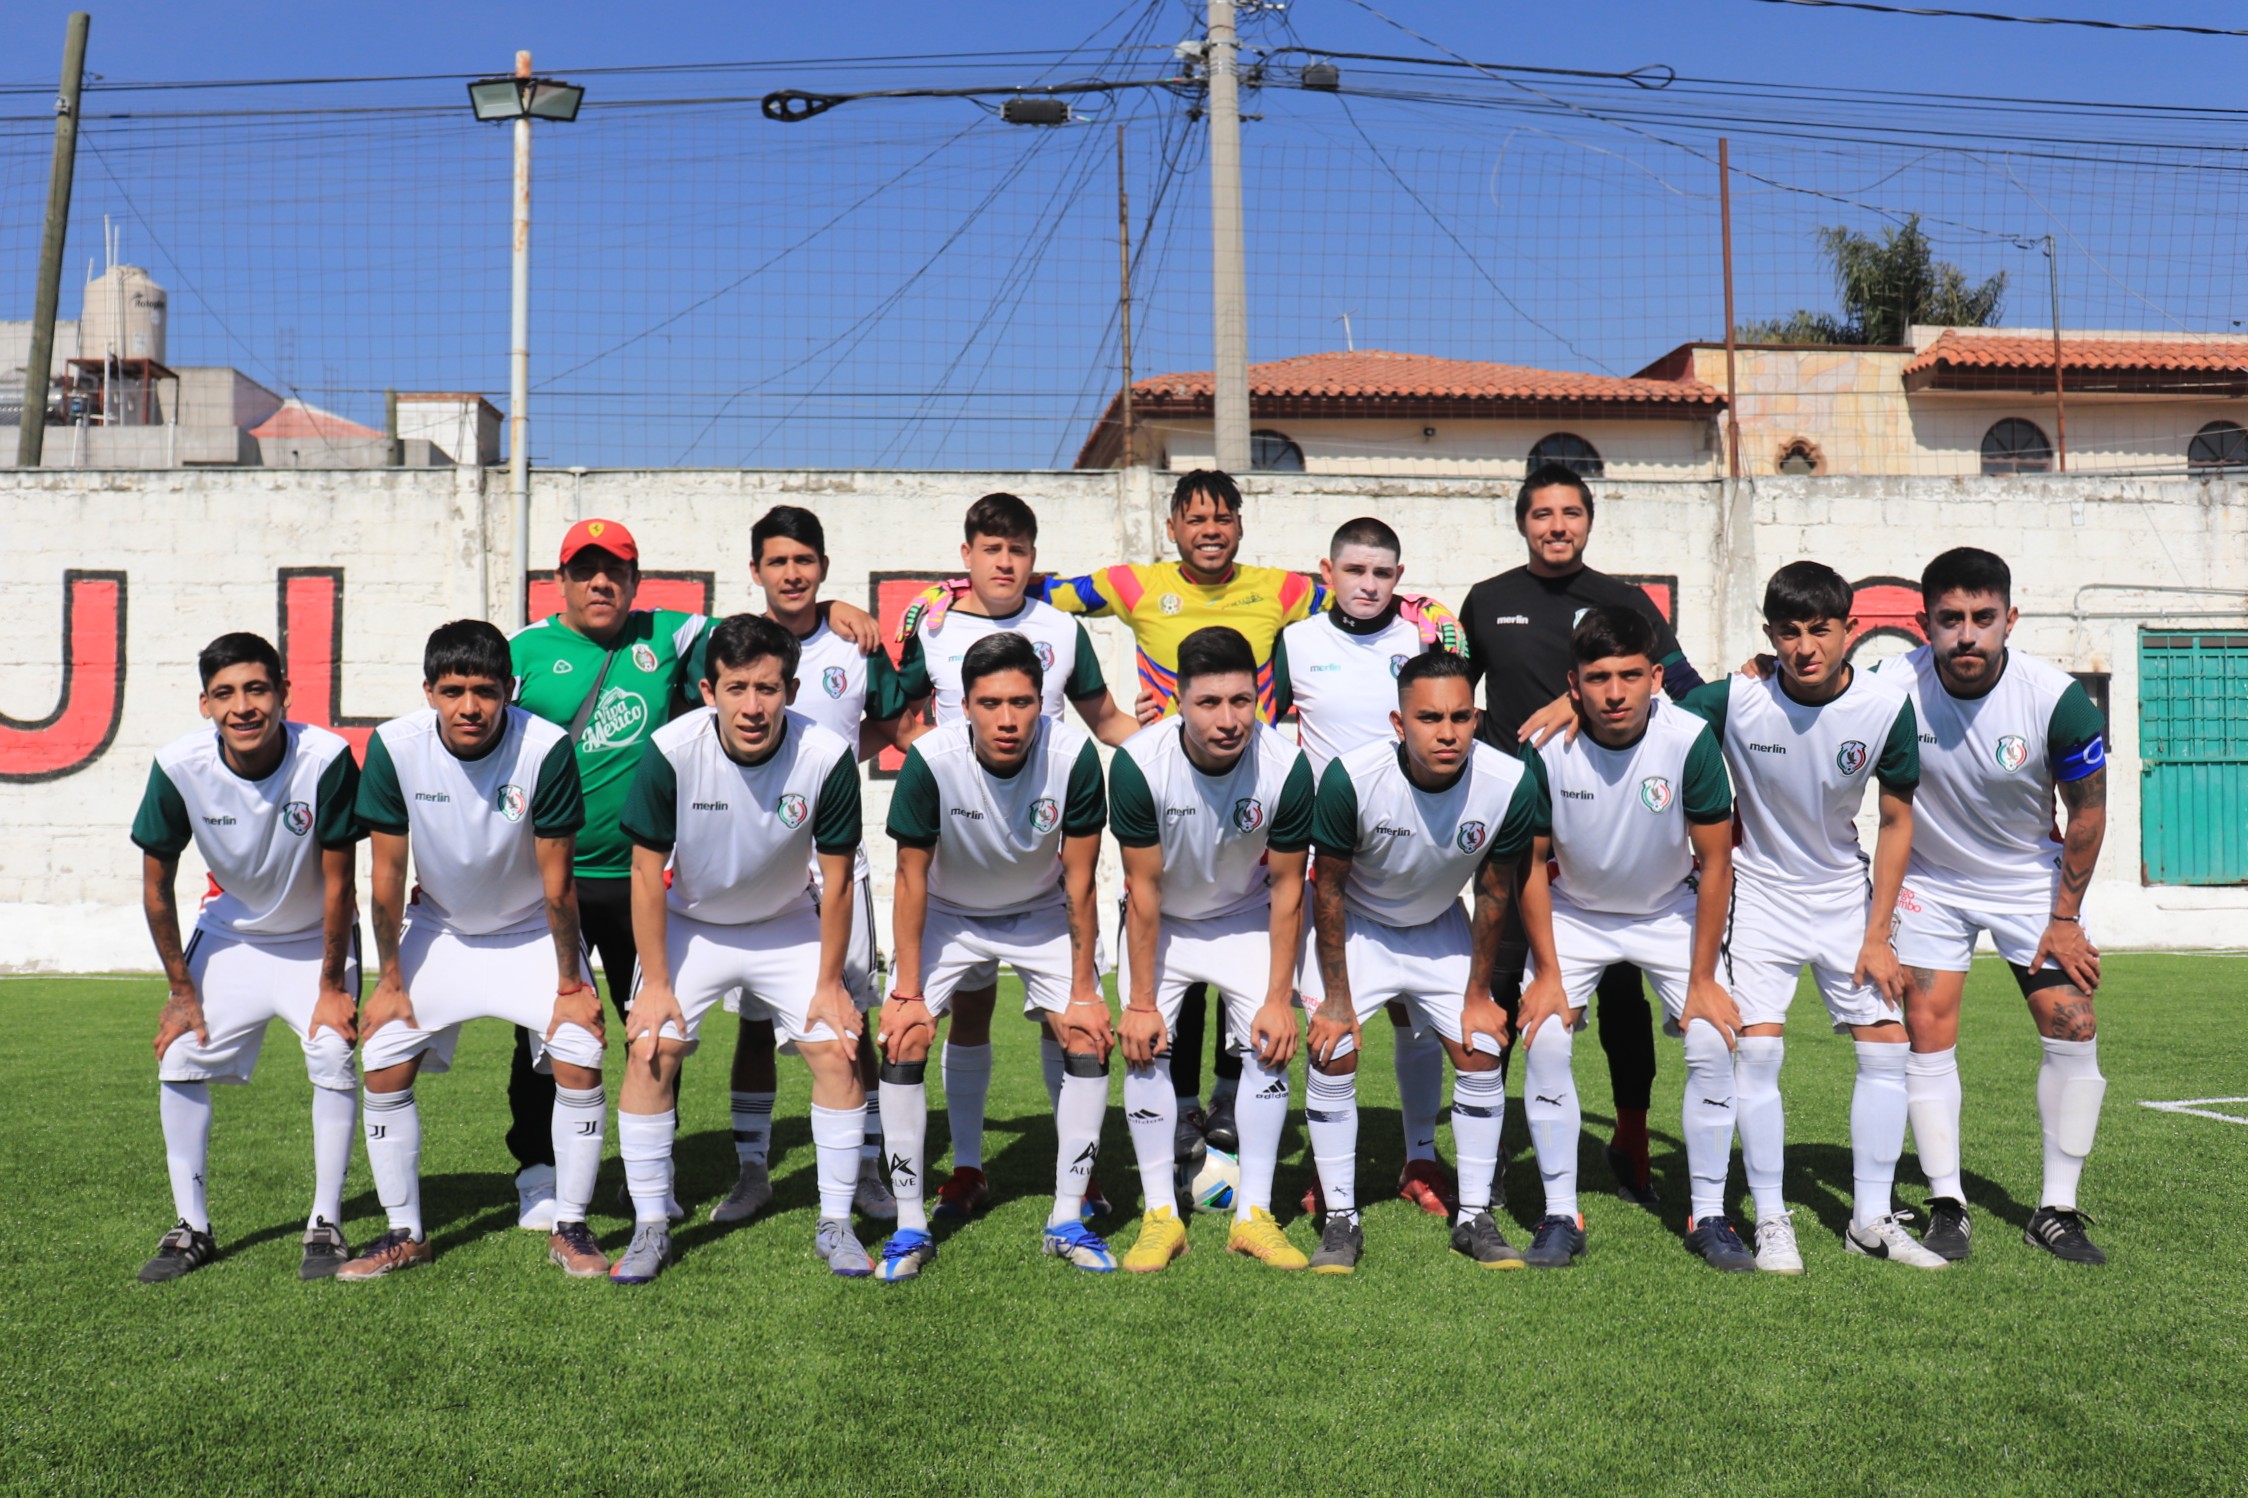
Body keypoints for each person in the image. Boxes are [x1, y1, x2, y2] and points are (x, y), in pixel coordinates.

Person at [1017, 470, 1463, 1173]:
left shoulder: (1282, 590)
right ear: (1173, 527)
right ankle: (1190, 1105)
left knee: (1261, 962)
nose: (1210, 530)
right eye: (1195, 519)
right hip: (1172, 783)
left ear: (1240, 525)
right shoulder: (1134, 583)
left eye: (1223, 517)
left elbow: (1364, 597)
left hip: (1260, 796)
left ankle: (1232, 1104)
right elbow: (1036, 592)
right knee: (1178, 945)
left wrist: (1434, 613)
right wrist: (941, 593)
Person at [507, 517, 878, 1230]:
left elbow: (766, 629)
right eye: (584, 571)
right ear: (561, 580)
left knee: (651, 1026)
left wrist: (829, 612)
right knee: (547, 1032)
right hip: (553, 877)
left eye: (614, 570)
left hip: (644, 880)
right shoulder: (525, 650)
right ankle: (540, 1171)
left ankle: (654, 1177)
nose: (599, 583)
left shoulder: (671, 636)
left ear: (635, 578)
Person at [1679, 562, 1946, 1273]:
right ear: (1770, 635)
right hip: (1759, 897)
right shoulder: (1735, 698)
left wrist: (1878, 934)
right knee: (1758, 1053)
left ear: (1849, 630)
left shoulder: (1885, 708)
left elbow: (1896, 820)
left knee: (1887, 1049)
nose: (1804, 647)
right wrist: (1567, 706)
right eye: (1789, 632)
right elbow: (1642, 714)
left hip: (1842, 897)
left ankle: (1870, 1218)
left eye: (1820, 630)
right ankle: (1771, 1218)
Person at [1458, 462, 1710, 1205]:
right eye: (1543, 514)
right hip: (1518, 830)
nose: (1557, 525)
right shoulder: (1487, 601)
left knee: (1624, 998)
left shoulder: (1621, 602)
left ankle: (1629, 1137)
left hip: (1609, 827)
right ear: (1523, 523)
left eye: (1571, 512)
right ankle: (1493, 1152)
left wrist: (1752, 687)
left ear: (1589, 522)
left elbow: (1683, 687)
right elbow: (1448, 690)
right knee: (1503, 984)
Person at [891, 492, 1136, 1226]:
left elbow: (1106, 719)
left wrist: (1173, 746)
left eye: (1018, 549)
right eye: (991, 548)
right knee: (960, 1015)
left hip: (1038, 871)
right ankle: (966, 1171)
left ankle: (1077, 1181)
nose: (1004, 561)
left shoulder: (1062, 630)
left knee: (1073, 1025)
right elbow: (894, 718)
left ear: (1033, 559)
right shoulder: (931, 628)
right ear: (966, 556)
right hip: (955, 876)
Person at [336, 621, 606, 1281]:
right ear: (428, 691)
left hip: (531, 933)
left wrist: (573, 984)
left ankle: (571, 1227)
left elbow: (559, 881)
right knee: (385, 1056)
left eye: (484, 691)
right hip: (443, 930)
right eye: (452, 691)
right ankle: (406, 1232)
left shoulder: (544, 748)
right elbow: (386, 877)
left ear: (510, 690)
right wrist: (389, 981)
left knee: (580, 1052)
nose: (469, 707)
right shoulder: (396, 748)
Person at [613, 615, 873, 1282]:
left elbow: (838, 879)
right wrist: (657, 985)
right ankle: (649, 1227)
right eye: (736, 689)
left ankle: (836, 1223)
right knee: (651, 1046)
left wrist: (828, 984)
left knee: (838, 1046)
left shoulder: (825, 756)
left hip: (786, 921)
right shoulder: (670, 750)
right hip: (691, 923)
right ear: (708, 690)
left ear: (790, 688)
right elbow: (646, 873)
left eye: (767, 688)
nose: (752, 707)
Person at [1883, 547, 2111, 1265]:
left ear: (2010, 619)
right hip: (1931, 882)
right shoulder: (1892, 685)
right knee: (1927, 1030)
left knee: (2073, 1023)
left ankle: (2057, 1209)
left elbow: (2089, 811)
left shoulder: (2055, 697)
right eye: (1950, 619)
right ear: (1925, 624)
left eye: (1984, 618)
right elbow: (1812, 691)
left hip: (2026, 880)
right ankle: (1947, 1203)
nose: (1967, 634)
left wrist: (2065, 917)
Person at [874, 632, 1114, 1281]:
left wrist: (1087, 987)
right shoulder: (931, 758)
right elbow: (909, 878)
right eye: (990, 703)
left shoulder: (1073, 756)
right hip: (949, 913)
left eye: (1022, 702)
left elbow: (1083, 879)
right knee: (903, 1039)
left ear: (1042, 701)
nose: (1007, 720)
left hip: (1039, 912)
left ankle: (1068, 1215)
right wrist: (904, 990)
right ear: (964, 706)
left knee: (1087, 1033)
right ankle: (910, 1224)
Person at [1513, 606, 1745, 1272]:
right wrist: (1550, 974)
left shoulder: (1690, 739)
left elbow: (1717, 865)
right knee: (1547, 1032)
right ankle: (1561, 1213)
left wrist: (1702, 982)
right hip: (1575, 913)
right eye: (1598, 678)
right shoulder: (1545, 747)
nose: (1614, 693)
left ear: (1655, 677)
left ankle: (1709, 1214)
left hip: (1665, 912)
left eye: (1629, 676)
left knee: (1709, 1036)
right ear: (1573, 683)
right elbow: (1529, 864)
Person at [129, 632, 365, 1283]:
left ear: (283, 693)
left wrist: (330, 986)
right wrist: (182, 991)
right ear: (205, 704)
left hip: (313, 939)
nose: (243, 707)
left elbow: (342, 882)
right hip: (232, 935)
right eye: (226, 693)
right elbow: (155, 887)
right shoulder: (179, 766)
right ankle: (192, 1227)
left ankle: (326, 1222)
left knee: (332, 1051)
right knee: (180, 1053)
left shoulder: (327, 758)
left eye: (257, 689)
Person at [1300, 651, 1546, 1274]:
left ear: (1476, 717)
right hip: (1358, 924)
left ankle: (1473, 1216)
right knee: (1334, 1050)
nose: (1447, 732)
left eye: (1461, 717)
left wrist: (1478, 994)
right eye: (1429, 717)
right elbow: (1325, 889)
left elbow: (1494, 893)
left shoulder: (1509, 781)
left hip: (1439, 926)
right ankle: (1339, 1218)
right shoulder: (1349, 778)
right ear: (1398, 721)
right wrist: (1335, 998)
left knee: (1482, 1046)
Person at [714, 505, 912, 1229]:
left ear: (823, 567)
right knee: (753, 1024)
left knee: (848, 1017)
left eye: (805, 561)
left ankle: (864, 1168)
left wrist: (819, 775)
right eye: (778, 562)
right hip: (747, 862)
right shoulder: (731, 647)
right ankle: (752, 1169)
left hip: (833, 858)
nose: (792, 573)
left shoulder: (857, 645)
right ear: (757, 572)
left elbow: (892, 726)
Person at [1272, 516, 1463, 1218]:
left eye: (1382, 574)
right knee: (1331, 1021)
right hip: (1335, 869)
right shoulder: (1294, 643)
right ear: (1328, 572)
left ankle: (1419, 1157)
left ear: (1398, 580)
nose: (1367, 585)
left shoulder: (1419, 642)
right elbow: (1264, 735)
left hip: (1417, 859)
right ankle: (1331, 1171)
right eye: (1354, 571)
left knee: (1417, 1019)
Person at [1110, 626, 1316, 1272]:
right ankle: (1160, 1217)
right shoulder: (1139, 762)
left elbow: (1287, 888)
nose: (1228, 720)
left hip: (1244, 919)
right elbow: (1141, 891)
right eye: (1208, 703)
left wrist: (1281, 999)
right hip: (1164, 922)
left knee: (1270, 1043)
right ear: (1178, 699)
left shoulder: (1286, 765)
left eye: (1240, 701)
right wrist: (1142, 1003)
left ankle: (1253, 1216)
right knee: (1146, 1048)